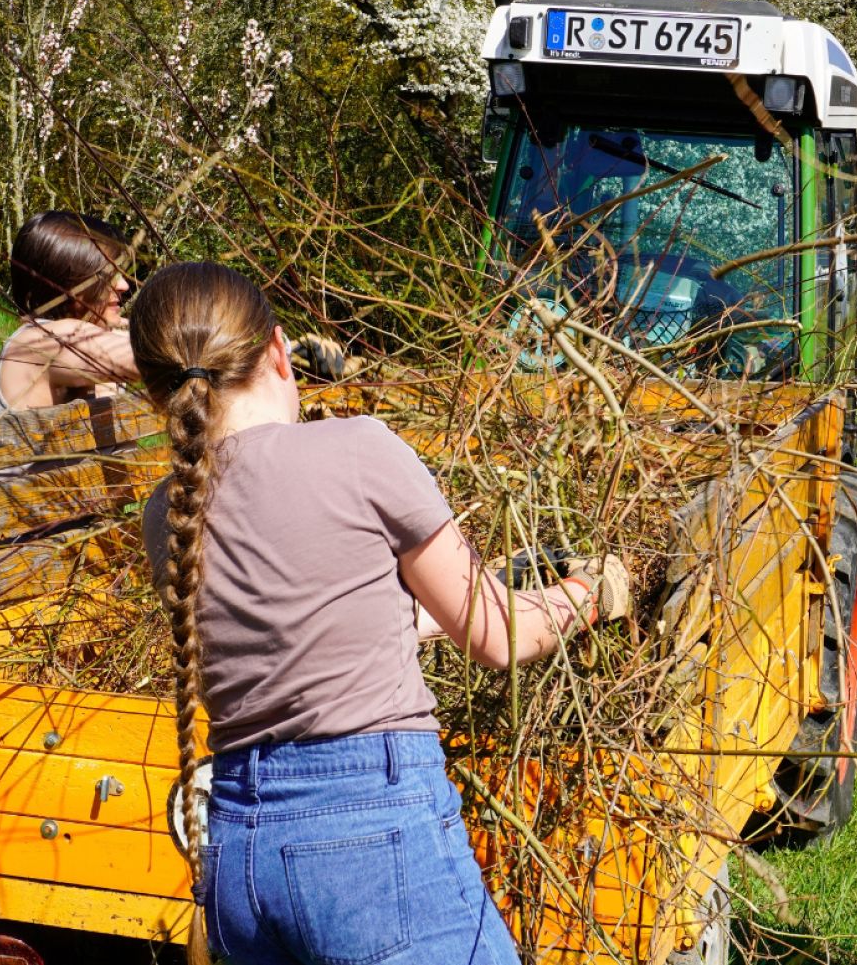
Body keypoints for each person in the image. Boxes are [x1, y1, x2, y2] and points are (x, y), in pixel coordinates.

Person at [127, 261, 629, 965]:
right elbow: (497, 634)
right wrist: (592, 592)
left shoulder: (165, 515)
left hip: (240, 853)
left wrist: (423, 613)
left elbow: (305, 630)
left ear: (156, 392)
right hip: (366, 833)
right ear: (278, 350)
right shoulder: (358, 448)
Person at [0, 211, 138, 416]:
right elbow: (153, 356)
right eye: (107, 275)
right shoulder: (39, 342)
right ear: (63, 283)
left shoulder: (99, 345)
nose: (123, 285)